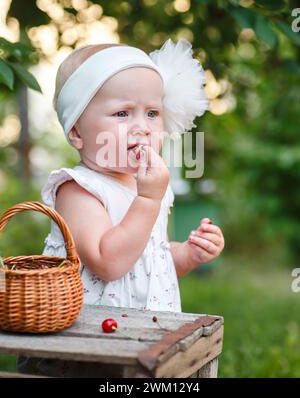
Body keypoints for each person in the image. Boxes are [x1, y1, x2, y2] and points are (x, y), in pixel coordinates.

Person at [17, 39, 225, 376]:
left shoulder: (149, 188)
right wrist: (148, 200)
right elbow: (110, 263)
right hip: (86, 346)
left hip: (142, 339)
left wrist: (188, 254)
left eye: (153, 113)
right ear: (77, 133)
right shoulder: (78, 189)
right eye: (122, 113)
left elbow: (150, 262)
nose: (142, 126)